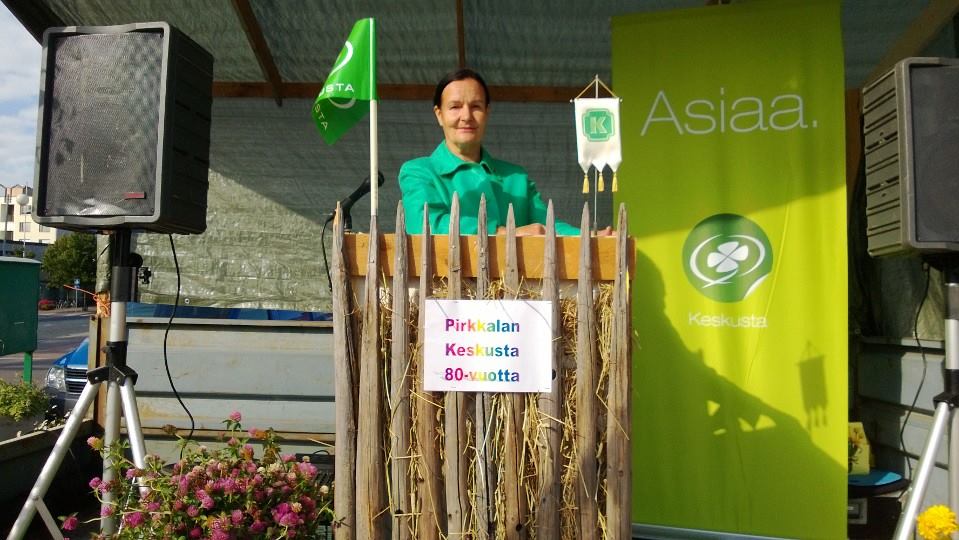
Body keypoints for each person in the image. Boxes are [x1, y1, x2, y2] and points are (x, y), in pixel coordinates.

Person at [399, 68, 600, 236]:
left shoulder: (516, 178)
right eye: (455, 107)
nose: (466, 116)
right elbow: (426, 224)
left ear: (487, 112)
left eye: (476, 106)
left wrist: (589, 237)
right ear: (439, 114)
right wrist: (503, 233)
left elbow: (546, 227)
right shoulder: (419, 172)